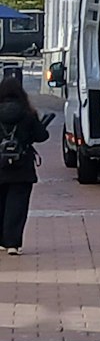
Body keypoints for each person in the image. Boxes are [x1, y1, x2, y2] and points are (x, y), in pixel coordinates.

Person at [0, 79, 52, 255]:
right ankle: (12, 243)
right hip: (22, 167)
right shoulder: (28, 113)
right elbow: (41, 136)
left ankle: (0, 241)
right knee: (17, 206)